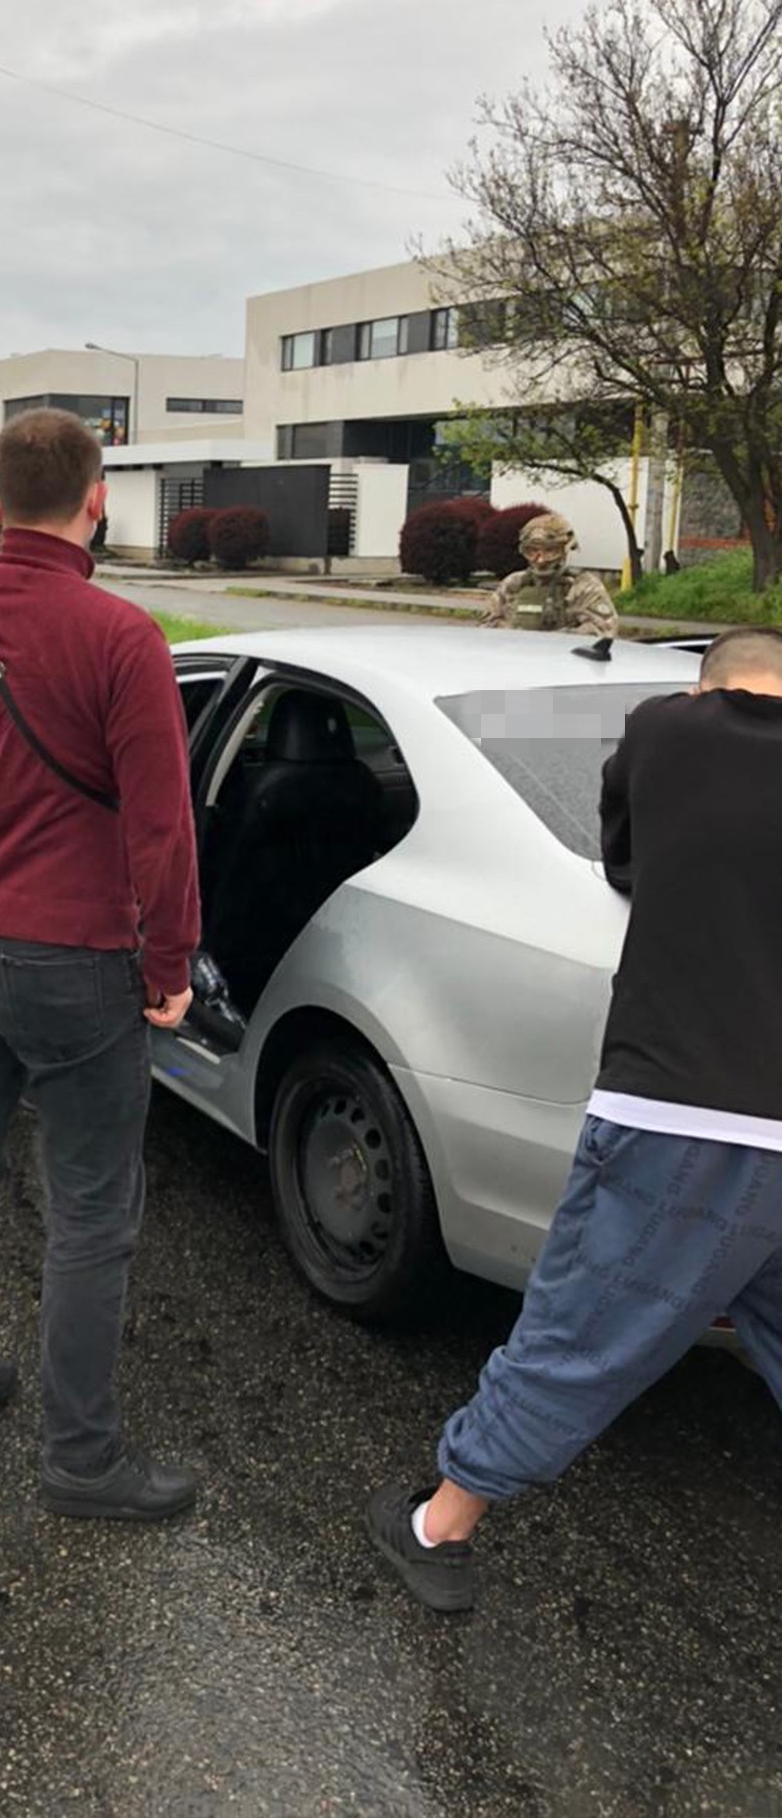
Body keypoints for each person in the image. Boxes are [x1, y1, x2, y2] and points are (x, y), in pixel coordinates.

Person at [368, 625, 782, 1612]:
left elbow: (624, 858)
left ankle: (439, 1526)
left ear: (709, 689)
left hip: (687, 1114)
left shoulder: (667, 730)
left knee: (582, 1330)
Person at [0, 406, 201, 1519]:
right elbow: (161, 825)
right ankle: (81, 1459)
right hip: (74, 959)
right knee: (91, 1210)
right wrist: (170, 962)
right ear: (96, 499)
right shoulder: (122, 636)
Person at [480, 512, 619, 636]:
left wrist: (555, 639)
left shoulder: (582, 586)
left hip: (562, 656)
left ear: (565, 551)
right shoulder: (513, 583)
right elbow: (486, 626)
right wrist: (514, 635)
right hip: (514, 653)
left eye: (550, 551)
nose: (540, 560)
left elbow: (603, 629)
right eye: (532, 551)